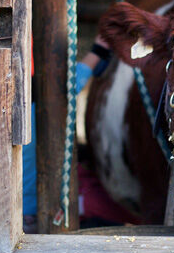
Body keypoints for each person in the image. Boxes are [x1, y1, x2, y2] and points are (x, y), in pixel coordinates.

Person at [22, 34, 113, 233]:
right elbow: (65, 88)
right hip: (30, 217)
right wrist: (98, 51)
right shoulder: (34, 113)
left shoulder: (11, 110)